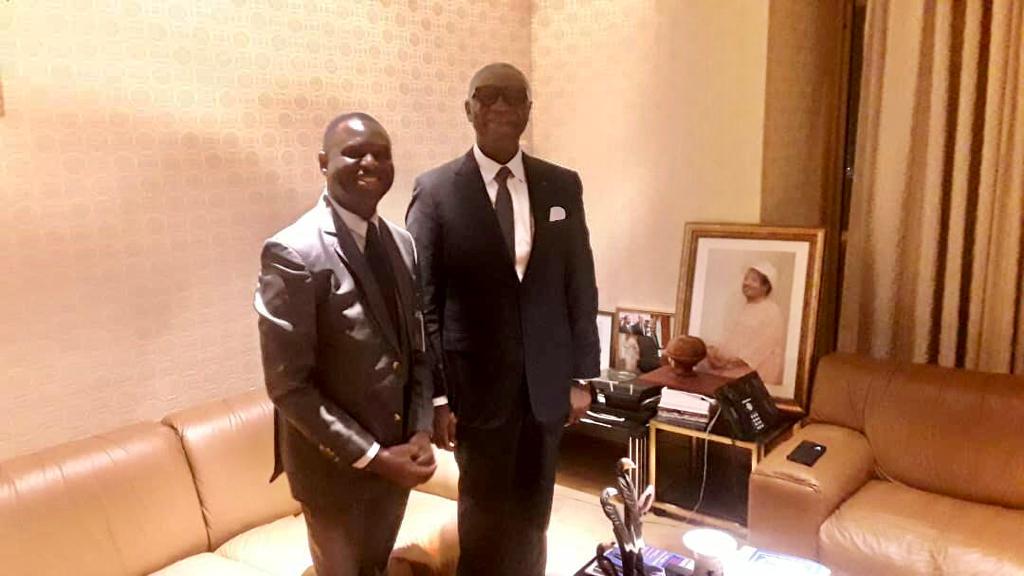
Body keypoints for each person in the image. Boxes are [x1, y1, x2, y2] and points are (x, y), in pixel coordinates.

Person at [406, 62, 600, 576]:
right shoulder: (435, 191)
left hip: (547, 383)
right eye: (486, 96)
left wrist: (582, 377)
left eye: (512, 96)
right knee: (484, 516)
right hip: (474, 389)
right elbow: (423, 304)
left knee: (535, 514)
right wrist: (437, 398)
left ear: (528, 110)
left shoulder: (561, 185)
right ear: (468, 109)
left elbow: (579, 281)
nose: (499, 106)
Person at [255, 113, 436, 576]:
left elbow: (415, 349)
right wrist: (374, 457)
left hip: (397, 461)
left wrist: (420, 431)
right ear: (323, 162)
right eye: (354, 153)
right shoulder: (292, 252)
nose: (370, 162)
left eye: (381, 153)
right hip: (333, 472)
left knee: (375, 568)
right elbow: (289, 386)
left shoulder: (402, 243)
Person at [702, 262, 786, 386]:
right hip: (732, 367)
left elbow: (760, 348)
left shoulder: (771, 311)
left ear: (766, 287)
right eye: (746, 278)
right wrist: (715, 352)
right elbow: (731, 337)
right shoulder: (743, 308)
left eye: (753, 280)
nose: (746, 283)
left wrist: (728, 363)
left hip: (755, 372)